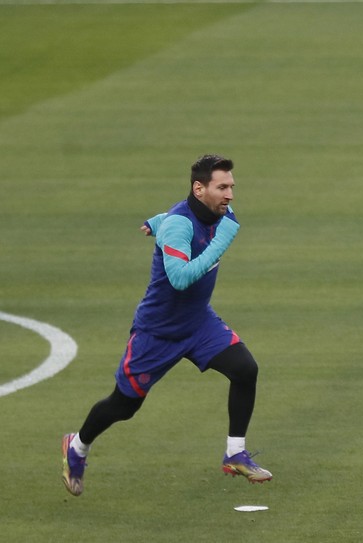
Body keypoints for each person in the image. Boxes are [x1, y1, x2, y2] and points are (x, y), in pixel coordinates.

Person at [62, 154, 271, 496]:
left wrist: (154, 221)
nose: (230, 195)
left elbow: (171, 216)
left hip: (198, 323)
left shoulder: (213, 213)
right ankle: (77, 445)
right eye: (223, 187)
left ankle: (235, 452)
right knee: (124, 405)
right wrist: (218, 238)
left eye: (232, 187)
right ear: (199, 188)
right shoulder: (184, 226)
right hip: (157, 331)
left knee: (245, 369)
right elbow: (180, 278)